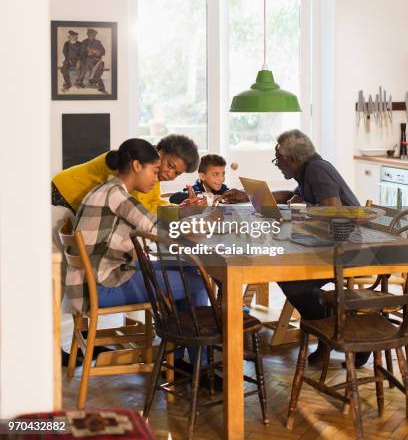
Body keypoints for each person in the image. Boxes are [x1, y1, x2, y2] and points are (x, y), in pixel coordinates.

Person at [223, 129, 368, 366]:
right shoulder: (307, 170)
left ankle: (343, 327)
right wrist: (248, 195)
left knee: (291, 279)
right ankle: (336, 328)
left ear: (291, 159)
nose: (277, 164)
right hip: (327, 244)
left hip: (346, 248)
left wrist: (301, 211)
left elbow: (333, 210)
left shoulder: (317, 169)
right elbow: (290, 196)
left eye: (277, 159)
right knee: (288, 277)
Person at [66, 138, 209, 373]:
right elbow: (157, 229)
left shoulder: (109, 190)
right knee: (197, 281)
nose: (157, 178)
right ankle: (196, 365)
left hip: (93, 281)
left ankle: (182, 359)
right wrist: (199, 224)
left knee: (188, 272)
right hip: (100, 287)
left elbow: (148, 225)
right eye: (154, 171)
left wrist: (185, 218)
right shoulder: (117, 195)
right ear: (136, 166)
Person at [52, 133, 199, 217]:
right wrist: (181, 214)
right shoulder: (138, 165)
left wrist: (180, 210)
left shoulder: (152, 168)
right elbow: (140, 208)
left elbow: (153, 202)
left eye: (177, 174)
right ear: (161, 150)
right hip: (64, 194)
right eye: (170, 165)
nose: (170, 174)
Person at [78, 28, 106, 92]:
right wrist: (87, 53)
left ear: (95, 35)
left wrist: (96, 51)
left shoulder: (98, 42)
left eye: (93, 35)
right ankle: (99, 83)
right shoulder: (84, 42)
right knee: (89, 63)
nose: (91, 36)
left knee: (101, 65)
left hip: (97, 60)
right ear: (88, 35)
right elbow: (81, 52)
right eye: (90, 35)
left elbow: (103, 52)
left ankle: (94, 80)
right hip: (87, 59)